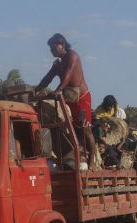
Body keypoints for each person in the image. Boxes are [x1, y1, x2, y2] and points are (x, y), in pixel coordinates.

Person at [35, 33, 96, 169]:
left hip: (81, 98)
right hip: (68, 98)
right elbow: (48, 78)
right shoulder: (58, 63)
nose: (51, 50)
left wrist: (58, 89)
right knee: (68, 127)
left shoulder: (71, 55)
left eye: (52, 47)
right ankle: (72, 157)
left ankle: (92, 161)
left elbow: (68, 73)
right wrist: (36, 90)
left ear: (61, 44)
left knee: (86, 130)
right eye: (50, 48)